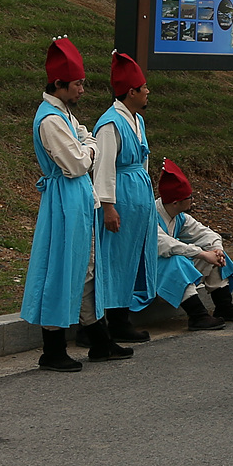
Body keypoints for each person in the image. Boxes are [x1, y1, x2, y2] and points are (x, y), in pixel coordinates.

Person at [22, 36, 129, 371]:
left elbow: (85, 140)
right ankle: (52, 348)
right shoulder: (51, 120)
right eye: (78, 84)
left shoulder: (63, 112)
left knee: (85, 268)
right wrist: (91, 150)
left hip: (77, 198)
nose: (83, 90)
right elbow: (78, 162)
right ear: (59, 84)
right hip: (64, 200)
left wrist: (87, 147)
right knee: (62, 268)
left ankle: (99, 340)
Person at [92, 51, 159, 343]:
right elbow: (104, 166)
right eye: (144, 89)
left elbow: (141, 160)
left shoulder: (137, 120)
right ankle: (114, 318)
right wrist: (108, 206)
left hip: (137, 196)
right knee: (116, 258)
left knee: (132, 255)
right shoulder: (110, 125)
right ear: (130, 92)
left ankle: (124, 313)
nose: (147, 93)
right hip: (120, 197)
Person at [152, 159, 233, 329]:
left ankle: (224, 307)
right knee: (177, 262)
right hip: (147, 274)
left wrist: (216, 250)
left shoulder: (179, 216)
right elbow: (165, 245)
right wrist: (201, 254)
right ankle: (197, 316)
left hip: (161, 268)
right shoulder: (151, 216)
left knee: (212, 252)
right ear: (176, 202)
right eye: (189, 197)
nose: (192, 200)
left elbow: (206, 234)